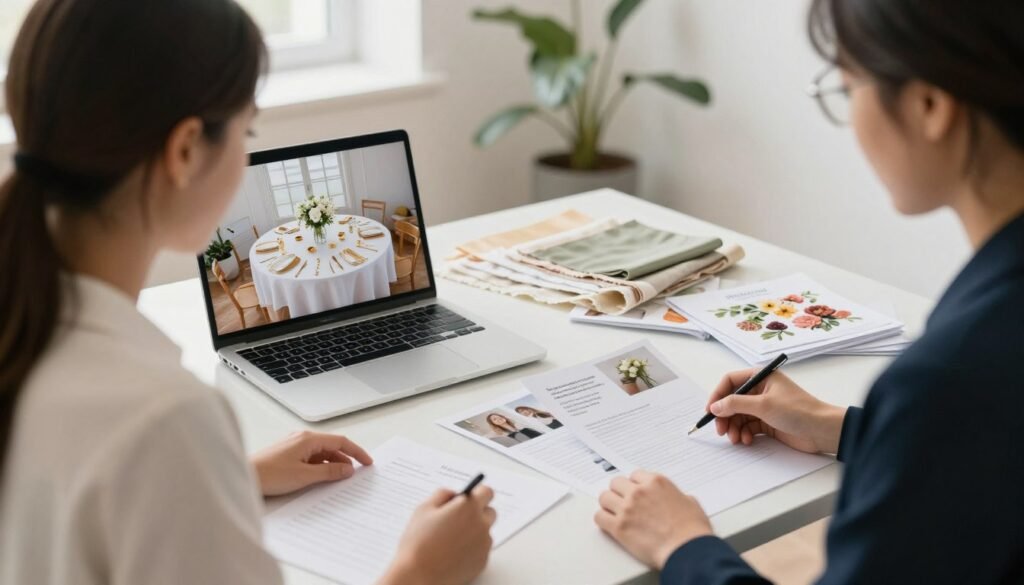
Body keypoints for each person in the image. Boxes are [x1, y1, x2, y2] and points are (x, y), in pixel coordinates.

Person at [0, 2, 495, 584]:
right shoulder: (163, 418)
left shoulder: (29, 336)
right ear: (185, 152)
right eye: (247, 131)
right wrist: (420, 572)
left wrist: (226, 475)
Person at [594, 0, 1024, 583]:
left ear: (930, 106)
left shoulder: (949, 376)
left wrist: (682, 545)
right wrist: (837, 425)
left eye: (848, 89)